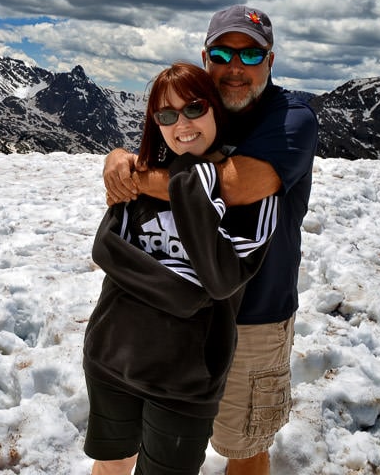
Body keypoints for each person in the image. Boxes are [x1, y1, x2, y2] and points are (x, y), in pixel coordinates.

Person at [103, 5, 319, 475]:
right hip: (175, 312)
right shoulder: (197, 109)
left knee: (241, 445)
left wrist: (138, 178)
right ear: (206, 58)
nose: (235, 67)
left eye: (250, 54)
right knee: (148, 436)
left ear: (270, 60)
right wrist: (120, 157)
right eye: (222, 53)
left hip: (254, 317)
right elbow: (154, 147)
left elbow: (237, 185)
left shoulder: (291, 119)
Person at [83, 62, 280, 475]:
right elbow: (107, 250)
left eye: (193, 108)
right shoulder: (139, 176)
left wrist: (191, 184)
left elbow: (222, 280)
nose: (181, 124)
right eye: (167, 115)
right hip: (111, 358)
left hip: (186, 382)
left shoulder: (249, 195)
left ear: (215, 110)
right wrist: (186, 292)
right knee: (111, 464)